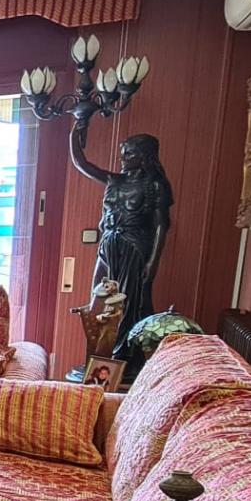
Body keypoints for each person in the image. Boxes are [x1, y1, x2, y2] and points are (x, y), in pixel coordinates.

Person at [71, 132, 172, 356]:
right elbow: (81, 163)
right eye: (123, 153)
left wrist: (153, 262)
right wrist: (77, 128)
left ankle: (123, 356)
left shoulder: (155, 185)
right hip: (108, 244)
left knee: (127, 305)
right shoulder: (114, 180)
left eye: (129, 153)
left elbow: (161, 226)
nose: (123, 158)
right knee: (97, 300)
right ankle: (98, 355)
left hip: (133, 247)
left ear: (144, 156)